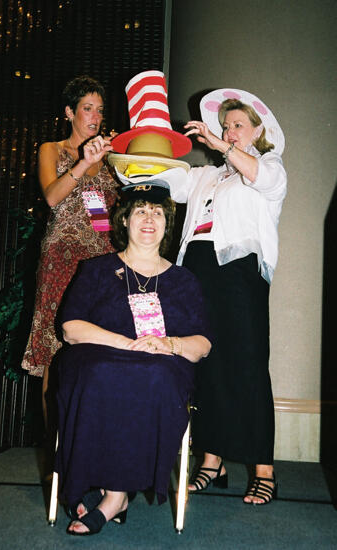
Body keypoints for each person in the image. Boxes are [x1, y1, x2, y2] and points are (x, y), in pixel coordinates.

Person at [55, 181, 212, 536]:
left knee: (153, 377)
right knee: (100, 372)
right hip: (99, 356)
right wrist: (126, 343)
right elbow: (71, 328)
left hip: (162, 363)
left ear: (167, 224)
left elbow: (202, 344)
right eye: (140, 210)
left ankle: (115, 496)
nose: (149, 218)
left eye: (157, 212)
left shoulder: (184, 281)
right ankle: (106, 489)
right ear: (124, 220)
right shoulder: (95, 270)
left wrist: (169, 343)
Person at [165, 88, 287, 505]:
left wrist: (225, 148)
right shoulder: (207, 175)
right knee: (206, 363)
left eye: (238, 125)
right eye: (225, 126)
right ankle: (211, 461)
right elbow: (163, 178)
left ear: (258, 131)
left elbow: (263, 178)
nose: (229, 131)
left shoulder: (269, 168)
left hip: (238, 272)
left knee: (249, 364)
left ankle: (263, 469)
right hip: (196, 269)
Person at [21, 76, 119, 433]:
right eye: (87, 109)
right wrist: (82, 163)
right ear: (69, 112)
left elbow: (109, 219)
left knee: (98, 349)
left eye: (100, 110)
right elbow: (51, 197)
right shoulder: (53, 149)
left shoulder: (111, 162)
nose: (94, 117)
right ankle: (55, 456)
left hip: (102, 262)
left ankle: (89, 446)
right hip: (63, 259)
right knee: (56, 351)